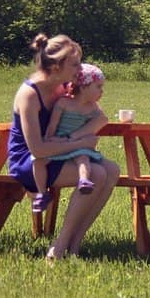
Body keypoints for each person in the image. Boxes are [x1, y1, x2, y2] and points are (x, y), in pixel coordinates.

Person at [7, 33, 120, 261]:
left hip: (59, 153)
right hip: (30, 160)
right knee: (96, 173)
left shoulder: (63, 87)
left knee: (112, 170)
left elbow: (91, 111)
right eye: (75, 64)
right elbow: (37, 149)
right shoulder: (29, 94)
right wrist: (78, 142)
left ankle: (75, 243)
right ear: (57, 66)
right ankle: (59, 248)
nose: (80, 70)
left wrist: (81, 135)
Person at [33, 62, 109, 205]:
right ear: (84, 87)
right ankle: (41, 193)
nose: (102, 91)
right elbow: (53, 124)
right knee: (38, 162)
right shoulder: (64, 103)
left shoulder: (93, 108)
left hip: (78, 145)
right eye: (98, 87)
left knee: (83, 158)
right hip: (59, 140)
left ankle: (84, 181)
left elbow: (103, 119)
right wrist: (49, 138)